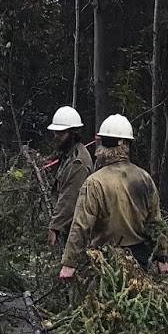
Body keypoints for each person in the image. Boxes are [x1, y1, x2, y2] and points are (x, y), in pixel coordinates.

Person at [58, 114, 168, 281]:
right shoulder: (144, 178)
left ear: (102, 144)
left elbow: (81, 225)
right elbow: (155, 223)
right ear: (127, 145)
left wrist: (69, 264)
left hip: (105, 261)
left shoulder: (94, 182)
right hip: (140, 260)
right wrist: (162, 257)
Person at [44, 106, 93, 258]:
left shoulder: (78, 163)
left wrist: (55, 227)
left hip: (77, 230)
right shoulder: (67, 155)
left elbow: (69, 198)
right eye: (55, 132)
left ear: (73, 133)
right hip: (69, 227)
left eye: (61, 133)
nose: (56, 136)